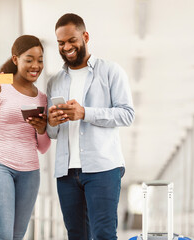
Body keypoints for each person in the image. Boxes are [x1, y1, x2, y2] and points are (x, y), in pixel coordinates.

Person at [46, 13, 135, 239]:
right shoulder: (54, 81)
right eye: (61, 43)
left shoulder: (110, 71)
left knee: (104, 234)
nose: (66, 47)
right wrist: (52, 122)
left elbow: (127, 114)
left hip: (103, 168)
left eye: (71, 40)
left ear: (85, 36)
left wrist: (85, 112)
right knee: (76, 235)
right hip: (66, 171)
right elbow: (53, 133)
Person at [0, 35, 51, 240]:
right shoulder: (1, 86)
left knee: (16, 236)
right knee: (3, 235)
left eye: (40, 60)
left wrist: (42, 128)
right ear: (16, 59)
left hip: (30, 173)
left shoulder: (43, 98)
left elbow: (43, 148)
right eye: (29, 60)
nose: (36, 65)